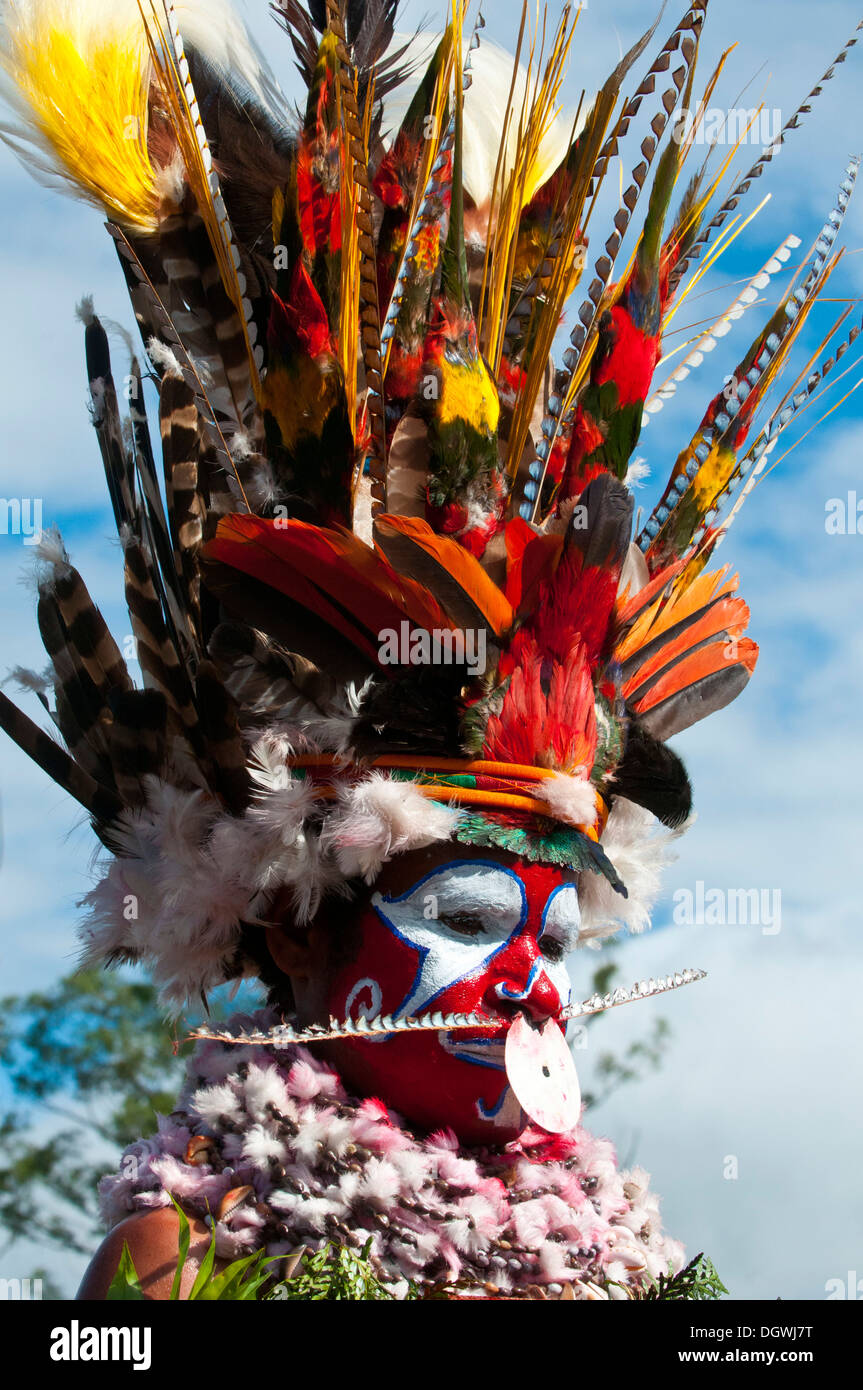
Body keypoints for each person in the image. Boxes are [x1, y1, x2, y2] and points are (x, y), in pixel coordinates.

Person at [0, 0, 855, 1299]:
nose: (530, 985)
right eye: (464, 914)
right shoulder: (184, 1259)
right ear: (296, 934)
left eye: (559, 940)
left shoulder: (632, 1276)